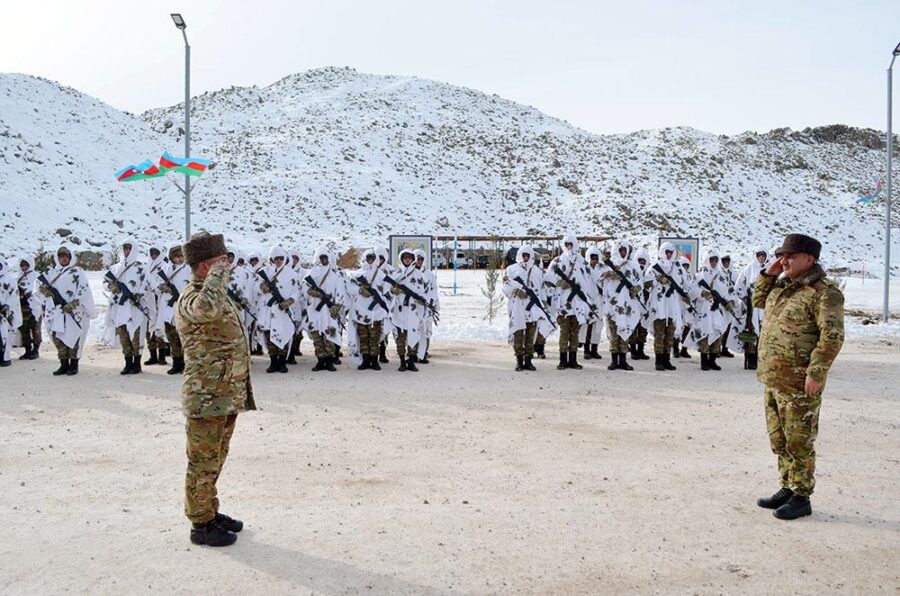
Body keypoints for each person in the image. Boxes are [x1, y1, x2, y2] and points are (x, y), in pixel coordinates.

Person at [753, 233, 843, 520]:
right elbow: (758, 300)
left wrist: (816, 372)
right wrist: (768, 274)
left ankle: (802, 496)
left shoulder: (824, 292)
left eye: (790, 256)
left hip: (799, 383)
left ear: (809, 259)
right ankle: (787, 486)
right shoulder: (783, 286)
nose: (784, 260)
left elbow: (832, 336)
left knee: (799, 441)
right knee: (779, 440)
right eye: (782, 256)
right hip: (774, 378)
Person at [175, 231, 255, 547]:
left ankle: (209, 511)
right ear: (206, 267)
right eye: (222, 261)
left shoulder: (213, 292)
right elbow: (206, 310)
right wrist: (218, 275)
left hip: (222, 394)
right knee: (202, 462)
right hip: (205, 397)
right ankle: (200, 525)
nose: (228, 265)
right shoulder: (192, 297)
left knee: (216, 458)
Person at [37, 244, 96, 376]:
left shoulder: (77, 272)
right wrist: (45, 292)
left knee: (74, 336)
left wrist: (73, 303)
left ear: (70, 257)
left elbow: (84, 290)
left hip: (73, 311)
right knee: (58, 337)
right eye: (61, 256)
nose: (64, 258)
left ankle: (74, 365)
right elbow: (38, 285)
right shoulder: (50, 273)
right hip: (56, 311)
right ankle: (63, 364)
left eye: (66, 256)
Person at [543, 234, 596, 370]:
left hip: (578, 302)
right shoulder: (557, 261)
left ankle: (573, 360)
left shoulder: (582, 262)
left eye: (571, 244)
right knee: (564, 332)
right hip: (563, 303)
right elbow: (548, 280)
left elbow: (589, 280)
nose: (569, 247)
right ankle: (562, 360)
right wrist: (560, 284)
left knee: (575, 332)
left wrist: (586, 296)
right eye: (567, 244)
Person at [104, 237, 152, 375]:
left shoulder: (141, 268)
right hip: (120, 308)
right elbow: (105, 282)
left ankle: (137, 364)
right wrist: (111, 287)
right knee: (124, 336)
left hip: (135, 308)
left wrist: (139, 295)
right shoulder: (115, 268)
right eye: (125, 248)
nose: (127, 251)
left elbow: (149, 285)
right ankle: (128, 363)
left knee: (136, 336)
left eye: (129, 248)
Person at [501, 245, 553, 371]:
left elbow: (542, 289)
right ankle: (519, 360)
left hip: (533, 308)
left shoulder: (537, 272)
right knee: (518, 334)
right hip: (517, 307)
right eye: (523, 255)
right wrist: (516, 291)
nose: (525, 258)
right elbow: (505, 286)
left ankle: (528, 360)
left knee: (531, 335)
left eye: (527, 255)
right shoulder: (511, 270)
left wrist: (544, 304)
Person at [642, 242, 691, 372]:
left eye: (671, 252)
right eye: (666, 252)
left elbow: (686, 284)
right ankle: (658, 361)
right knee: (659, 334)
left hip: (672, 305)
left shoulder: (678, 268)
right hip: (659, 305)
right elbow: (645, 284)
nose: (669, 255)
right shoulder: (654, 267)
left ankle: (667, 359)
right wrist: (657, 280)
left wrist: (686, 295)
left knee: (670, 334)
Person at [600, 239, 643, 371]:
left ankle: (623, 360)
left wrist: (636, 288)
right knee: (614, 334)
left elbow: (640, 280)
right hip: (612, 304)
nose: (623, 252)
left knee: (625, 331)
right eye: (621, 250)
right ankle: (614, 361)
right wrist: (609, 274)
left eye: (625, 250)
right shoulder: (609, 265)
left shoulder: (632, 266)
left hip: (627, 305)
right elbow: (598, 276)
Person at [303, 247, 347, 372]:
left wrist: (336, 306)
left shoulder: (335, 275)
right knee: (317, 336)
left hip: (329, 310)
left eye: (325, 257)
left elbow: (340, 292)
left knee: (330, 335)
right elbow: (304, 288)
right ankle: (320, 361)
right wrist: (313, 293)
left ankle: (329, 361)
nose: (323, 260)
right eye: (321, 257)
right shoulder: (312, 273)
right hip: (315, 310)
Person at [346, 249, 392, 370]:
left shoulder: (381, 275)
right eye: (368, 258)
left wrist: (382, 296)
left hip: (375, 312)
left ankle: (374, 361)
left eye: (372, 258)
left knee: (374, 338)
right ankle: (365, 360)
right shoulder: (357, 274)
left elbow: (387, 291)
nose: (370, 260)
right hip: (360, 311)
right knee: (363, 337)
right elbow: (349, 288)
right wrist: (360, 290)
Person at [690, 249, 734, 371]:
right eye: (711, 260)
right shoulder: (700, 274)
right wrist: (702, 293)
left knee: (717, 332)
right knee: (705, 333)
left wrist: (728, 301)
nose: (714, 262)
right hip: (704, 309)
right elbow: (692, 289)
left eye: (715, 260)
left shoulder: (721, 275)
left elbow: (727, 290)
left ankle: (712, 360)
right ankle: (704, 361)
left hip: (717, 309)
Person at [258, 246, 300, 373]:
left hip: (283, 310)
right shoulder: (266, 272)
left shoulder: (292, 274)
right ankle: (273, 362)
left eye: (281, 258)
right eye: (276, 259)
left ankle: (282, 363)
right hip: (270, 311)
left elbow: (296, 292)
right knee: (270, 336)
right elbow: (257, 287)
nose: (278, 261)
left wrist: (289, 302)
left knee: (284, 335)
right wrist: (262, 287)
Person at [388, 248, 429, 371]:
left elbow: (424, 291)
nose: (407, 259)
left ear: (413, 259)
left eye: (409, 257)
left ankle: (411, 361)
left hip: (413, 311)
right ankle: (402, 362)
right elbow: (387, 289)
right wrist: (393, 291)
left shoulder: (419, 275)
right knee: (400, 339)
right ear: (401, 259)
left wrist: (419, 298)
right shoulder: (396, 274)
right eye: (405, 257)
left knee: (413, 336)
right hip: (399, 311)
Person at [158, 245, 191, 375]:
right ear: (172, 257)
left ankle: (184, 363)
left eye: (182, 256)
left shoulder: (188, 269)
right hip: (168, 307)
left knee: (182, 336)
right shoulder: (166, 269)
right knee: (171, 336)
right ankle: (176, 363)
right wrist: (163, 287)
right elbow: (156, 282)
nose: (180, 259)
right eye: (177, 256)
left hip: (182, 306)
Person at [735, 247, 768, 369]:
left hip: (764, 305)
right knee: (751, 331)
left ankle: (760, 359)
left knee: (763, 332)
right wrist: (744, 297)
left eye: (763, 255)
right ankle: (751, 359)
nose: (761, 257)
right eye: (759, 255)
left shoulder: (769, 268)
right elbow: (739, 285)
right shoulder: (749, 268)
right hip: (751, 305)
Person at [143, 244, 170, 367]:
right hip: (148, 300)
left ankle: (162, 356)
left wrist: (158, 288)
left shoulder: (165, 267)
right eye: (152, 253)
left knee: (160, 328)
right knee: (149, 329)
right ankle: (152, 355)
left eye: (156, 253)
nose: (153, 255)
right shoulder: (147, 266)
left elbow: (165, 282)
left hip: (159, 300)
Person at [413, 249, 440, 364]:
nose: (419, 261)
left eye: (421, 259)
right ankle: (413, 353)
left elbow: (434, 290)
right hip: (414, 308)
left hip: (426, 307)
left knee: (426, 331)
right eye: (417, 258)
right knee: (414, 330)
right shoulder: (410, 273)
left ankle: (423, 353)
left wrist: (430, 302)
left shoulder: (429, 274)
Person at [15, 257, 42, 360]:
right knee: (24, 330)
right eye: (22, 265)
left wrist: (31, 295)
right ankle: (28, 350)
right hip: (22, 308)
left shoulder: (37, 277)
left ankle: (36, 350)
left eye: (26, 265)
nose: (24, 267)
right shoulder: (19, 278)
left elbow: (40, 292)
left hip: (34, 308)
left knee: (35, 329)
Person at [628, 248, 652, 361]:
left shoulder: (650, 272)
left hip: (646, 303)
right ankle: (633, 350)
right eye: (639, 260)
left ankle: (641, 350)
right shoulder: (633, 271)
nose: (641, 263)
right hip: (635, 303)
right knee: (633, 327)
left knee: (643, 329)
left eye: (643, 261)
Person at [0, 260, 23, 367]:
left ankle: (6, 358)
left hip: (6, 314)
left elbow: (14, 296)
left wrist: (6, 306)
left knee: (6, 336)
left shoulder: (10, 280)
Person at [375, 247, 395, 364]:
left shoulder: (390, 271)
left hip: (386, 304)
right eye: (378, 258)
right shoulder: (371, 269)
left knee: (384, 330)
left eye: (382, 258)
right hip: (373, 304)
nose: (380, 260)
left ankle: (382, 353)